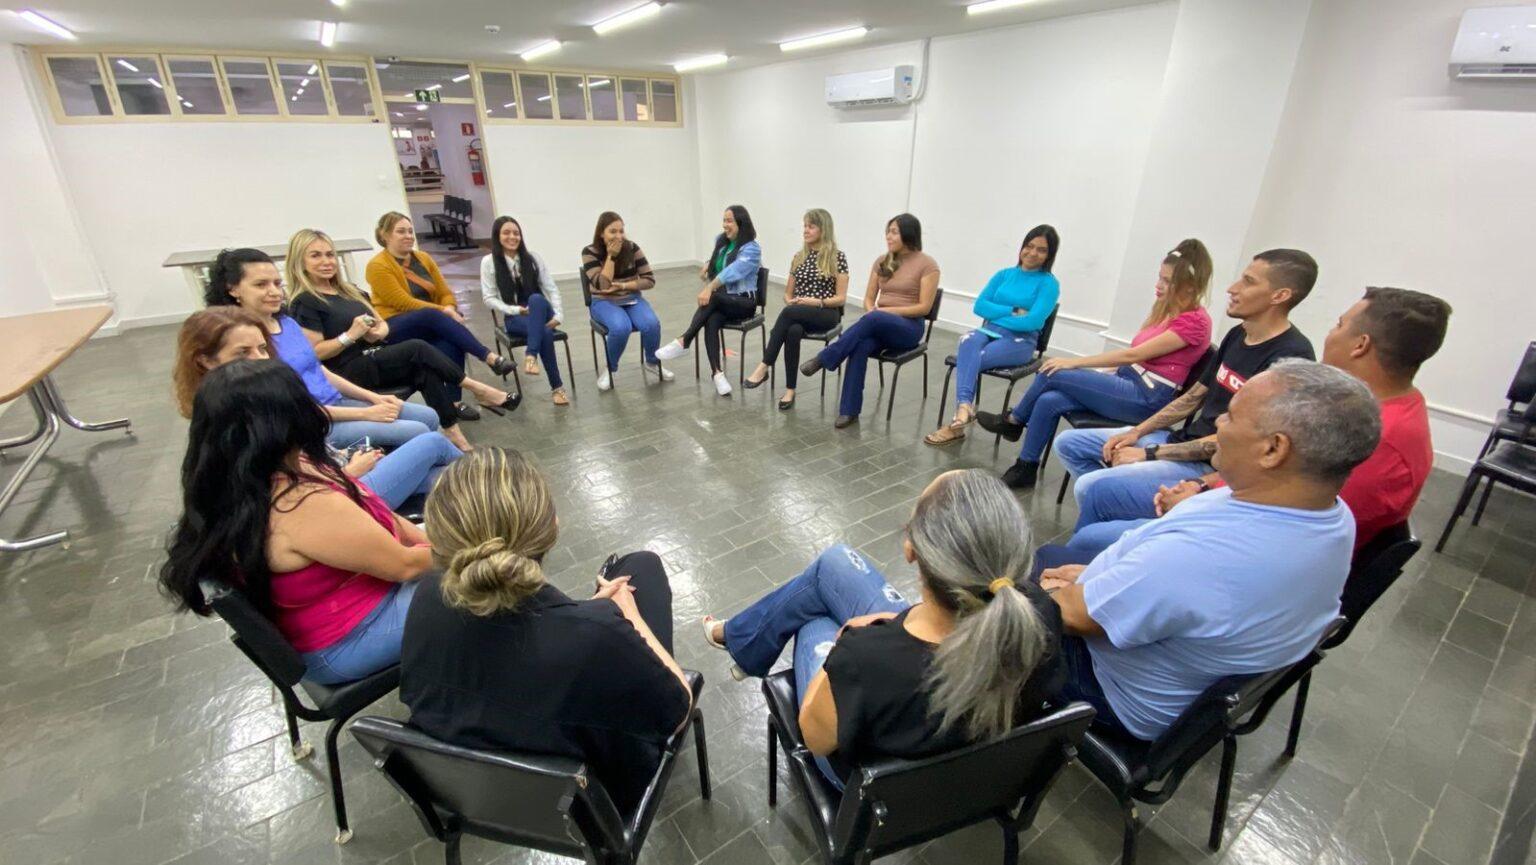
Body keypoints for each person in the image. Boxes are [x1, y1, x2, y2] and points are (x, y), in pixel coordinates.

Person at [1036, 361, 1380, 740]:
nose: (1217, 424)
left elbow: (1071, 614)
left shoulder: (1202, 556)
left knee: (985, 592)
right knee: (1046, 565)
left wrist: (1039, 591)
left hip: (1116, 693)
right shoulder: (1330, 514)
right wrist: (1093, 577)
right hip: (1183, 670)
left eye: (1231, 416)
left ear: (1272, 449)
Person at [701, 470, 1064, 788]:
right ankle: (738, 637)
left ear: (911, 551)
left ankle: (741, 642)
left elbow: (815, 740)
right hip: (983, 775)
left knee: (813, 618)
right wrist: (894, 629)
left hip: (875, 793)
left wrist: (844, 649)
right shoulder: (1039, 614)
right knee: (834, 563)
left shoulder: (866, 659)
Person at [399, 448, 693, 815]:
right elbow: (679, 711)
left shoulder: (428, 597)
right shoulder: (597, 636)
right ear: (551, 526)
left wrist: (591, 614)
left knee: (633, 572)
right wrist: (625, 615)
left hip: (473, 796)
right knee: (642, 567)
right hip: (589, 807)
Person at [1065, 287, 1450, 558]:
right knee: (1099, 495)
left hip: (1252, 553)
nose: (1330, 333)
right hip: (1238, 507)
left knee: (1093, 531)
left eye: (1339, 324)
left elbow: (1294, 531)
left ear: (1360, 344)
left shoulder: (1379, 437)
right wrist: (1201, 484)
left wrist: (1195, 498)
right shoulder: (1358, 408)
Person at [159, 360, 433, 685]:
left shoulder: (235, 480)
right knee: (498, 580)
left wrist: (430, 540)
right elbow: (406, 566)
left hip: (336, 614)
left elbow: (377, 512)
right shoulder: (300, 504)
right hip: (349, 638)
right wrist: (476, 547)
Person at [1054, 249, 1319, 531]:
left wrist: (1150, 454)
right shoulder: (1237, 334)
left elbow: (1246, 439)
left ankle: (1121, 515)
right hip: (1178, 440)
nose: (1233, 288)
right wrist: (1137, 432)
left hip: (1210, 466)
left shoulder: (1292, 358)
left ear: (1280, 295)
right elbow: (1193, 396)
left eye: (1249, 281)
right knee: (1069, 444)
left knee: (1091, 487)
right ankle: (1136, 516)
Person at [976, 240, 1214, 486]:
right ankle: (1026, 467)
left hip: (1147, 398)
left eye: (1167, 281)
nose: (1158, 285)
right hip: (1129, 381)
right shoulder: (1167, 310)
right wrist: (1103, 371)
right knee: (1050, 400)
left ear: (1189, 285)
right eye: (1160, 278)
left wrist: (1074, 363)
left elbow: (1134, 355)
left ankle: (1014, 420)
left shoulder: (1195, 322)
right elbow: (1135, 357)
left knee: (1053, 372)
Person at [172, 307, 461, 510]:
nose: (261, 359)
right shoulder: (241, 419)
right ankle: (490, 479)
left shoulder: (250, 400)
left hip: (334, 479)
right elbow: (288, 498)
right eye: (243, 353)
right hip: (337, 496)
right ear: (205, 361)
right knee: (434, 444)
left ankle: (487, 486)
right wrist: (349, 472)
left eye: (262, 349)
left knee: (444, 476)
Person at [204, 247, 476, 452]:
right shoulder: (246, 342)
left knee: (428, 416)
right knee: (421, 432)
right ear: (233, 289)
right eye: (261, 285)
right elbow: (294, 407)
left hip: (337, 402)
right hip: (314, 423)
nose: (274, 291)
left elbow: (320, 370)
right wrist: (366, 412)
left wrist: (373, 399)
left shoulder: (285, 321)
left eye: (276, 283)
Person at [286, 229, 522, 427]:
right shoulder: (306, 301)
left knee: (436, 355)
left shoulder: (349, 290)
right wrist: (349, 336)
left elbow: (381, 324)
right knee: (419, 344)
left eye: (329, 255)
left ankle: (455, 435)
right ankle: (480, 385)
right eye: (316, 256)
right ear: (300, 262)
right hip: (348, 369)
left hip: (374, 351)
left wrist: (377, 332)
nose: (326, 262)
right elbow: (315, 353)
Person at [365, 211, 516, 417]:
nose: (409, 235)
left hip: (430, 321)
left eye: (410, 231)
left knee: (453, 342)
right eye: (401, 231)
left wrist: (450, 308)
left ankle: (453, 403)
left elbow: (445, 292)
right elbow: (402, 302)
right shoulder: (377, 266)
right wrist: (443, 311)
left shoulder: (423, 258)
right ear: (384, 235)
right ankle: (489, 357)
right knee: (432, 315)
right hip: (394, 326)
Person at [798, 213, 940, 429]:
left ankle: (825, 358)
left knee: (872, 318)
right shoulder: (882, 261)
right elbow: (868, 299)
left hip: (908, 328)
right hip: (879, 323)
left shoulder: (927, 264)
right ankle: (849, 411)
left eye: (894, 232)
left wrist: (884, 312)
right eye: (887, 231)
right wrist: (872, 311)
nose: (888, 237)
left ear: (908, 234)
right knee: (859, 344)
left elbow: (924, 307)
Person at [925, 225, 1061, 447]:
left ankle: (959, 418)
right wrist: (1013, 311)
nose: (1032, 253)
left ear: (1049, 255)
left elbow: (1033, 322)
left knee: (970, 358)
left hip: (1020, 341)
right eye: (1029, 246)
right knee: (968, 340)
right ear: (1022, 247)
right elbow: (979, 306)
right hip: (987, 331)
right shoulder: (1004, 275)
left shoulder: (1049, 284)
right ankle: (964, 409)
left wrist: (997, 313)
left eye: (1041, 250)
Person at [743, 208, 848, 411]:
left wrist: (815, 301)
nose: (805, 230)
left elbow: (841, 298)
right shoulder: (799, 257)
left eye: (811, 226)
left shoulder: (837, 258)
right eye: (804, 226)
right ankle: (790, 390)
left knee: (789, 315)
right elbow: (787, 293)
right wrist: (791, 301)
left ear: (823, 229)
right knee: (793, 330)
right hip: (800, 312)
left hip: (826, 311)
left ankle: (764, 365)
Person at [654, 205, 763, 396]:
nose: (725, 225)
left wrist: (710, 286)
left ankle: (685, 340)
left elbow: (735, 270)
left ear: (741, 223)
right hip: (723, 301)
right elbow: (719, 262)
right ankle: (717, 374)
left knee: (712, 299)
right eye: (724, 220)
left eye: (729, 221)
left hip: (744, 303)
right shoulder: (721, 242)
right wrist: (707, 264)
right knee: (711, 319)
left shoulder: (752, 249)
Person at [480, 215, 569, 406]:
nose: (512, 237)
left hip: (541, 311)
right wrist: (514, 309)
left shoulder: (533, 258)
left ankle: (531, 354)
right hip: (515, 317)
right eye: (506, 233)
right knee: (544, 331)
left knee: (536, 298)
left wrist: (559, 316)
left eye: (516, 233)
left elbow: (551, 288)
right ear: (497, 236)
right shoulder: (489, 262)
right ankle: (557, 388)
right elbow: (488, 298)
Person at [581, 212, 670, 391]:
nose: (618, 236)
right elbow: (602, 284)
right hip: (603, 301)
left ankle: (652, 362)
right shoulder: (589, 252)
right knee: (621, 328)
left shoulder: (632, 248)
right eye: (612, 231)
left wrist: (623, 286)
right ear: (601, 233)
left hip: (631, 297)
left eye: (621, 231)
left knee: (651, 324)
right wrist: (611, 257)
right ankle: (610, 369)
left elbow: (649, 280)